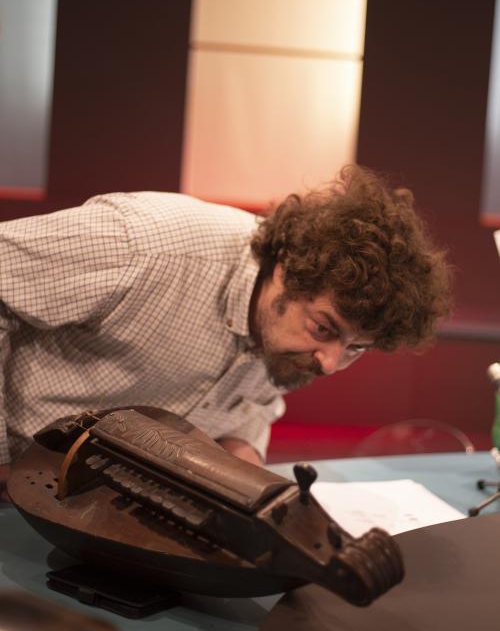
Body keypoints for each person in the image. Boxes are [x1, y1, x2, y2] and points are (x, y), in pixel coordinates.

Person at [0, 165, 451, 498]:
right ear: (287, 270)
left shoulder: (291, 337)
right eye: (323, 328)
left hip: (97, 498)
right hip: (18, 472)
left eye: (356, 348)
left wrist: (246, 471)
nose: (330, 363)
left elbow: (248, 406)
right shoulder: (144, 244)